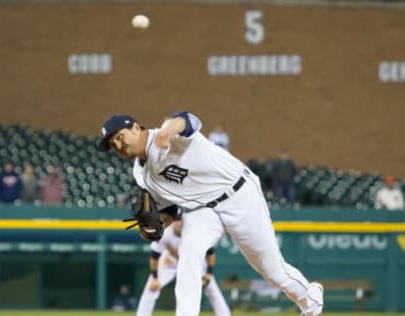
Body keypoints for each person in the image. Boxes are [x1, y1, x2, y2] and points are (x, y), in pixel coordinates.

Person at [98, 112, 323, 316]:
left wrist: (168, 131)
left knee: (272, 271)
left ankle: (311, 301)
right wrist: (154, 226)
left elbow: (188, 120)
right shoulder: (141, 173)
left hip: (238, 194)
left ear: (136, 128)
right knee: (189, 253)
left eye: (119, 137)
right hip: (202, 210)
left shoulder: (168, 132)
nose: (117, 145)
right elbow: (169, 210)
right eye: (112, 144)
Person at [136, 217, 230, 316]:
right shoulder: (165, 232)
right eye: (176, 220)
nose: (178, 223)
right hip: (170, 263)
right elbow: (154, 255)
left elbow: (210, 253)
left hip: (193, 263)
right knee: (152, 287)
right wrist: (155, 277)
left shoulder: (195, 232)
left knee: (212, 289)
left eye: (180, 220)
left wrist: (209, 273)